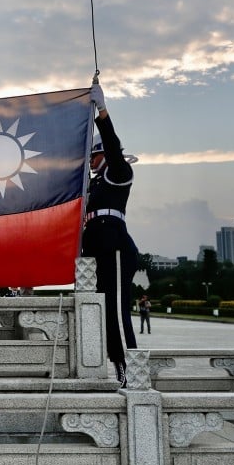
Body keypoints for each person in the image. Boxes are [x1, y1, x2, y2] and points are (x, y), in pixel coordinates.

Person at [80, 80, 138, 386]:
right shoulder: (94, 183)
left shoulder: (118, 173)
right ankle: (114, 364)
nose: (90, 162)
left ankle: (130, 369)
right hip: (94, 246)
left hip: (114, 245)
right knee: (99, 310)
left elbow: (113, 148)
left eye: (93, 156)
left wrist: (102, 111)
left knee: (116, 309)